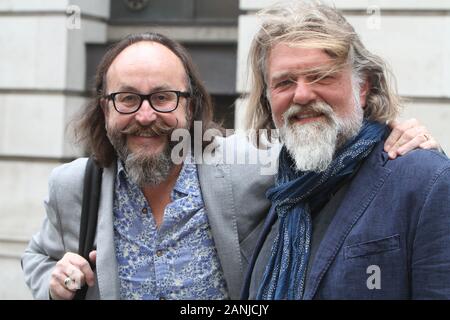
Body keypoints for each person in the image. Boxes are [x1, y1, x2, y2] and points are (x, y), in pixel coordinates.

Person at [22, 32, 437, 300]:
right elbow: (37, 258)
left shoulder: (246, 165)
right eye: (127, 98)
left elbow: (318, 138)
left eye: (164, 97)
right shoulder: (74, 185)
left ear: (191, 105)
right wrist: (53, 283)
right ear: (104, 108)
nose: (145, 116)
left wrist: (392, 130)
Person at [241, 1, 450, 300]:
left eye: (319, 76)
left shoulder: (428, 181)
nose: (302, 94)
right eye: (285, 82)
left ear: (362, 87)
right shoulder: (284, 193)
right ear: (268, 98)